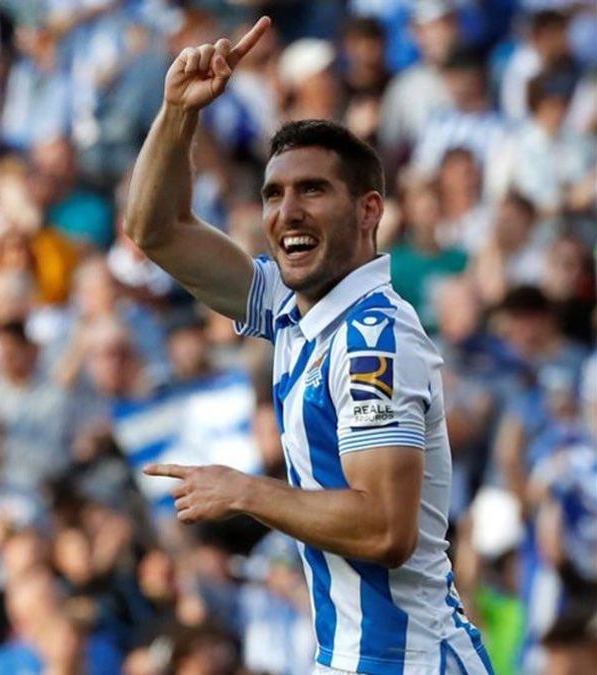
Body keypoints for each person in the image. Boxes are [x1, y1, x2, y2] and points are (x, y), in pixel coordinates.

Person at [124, 15, 493, 673]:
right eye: (274, 194)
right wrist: (178, 112)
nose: (285, 212)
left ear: (369, 211)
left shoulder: (371, 339)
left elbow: (385, 527)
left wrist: (243, 490)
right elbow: (156, 230)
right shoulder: (295, 312)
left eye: (312, 190)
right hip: (344, 657)